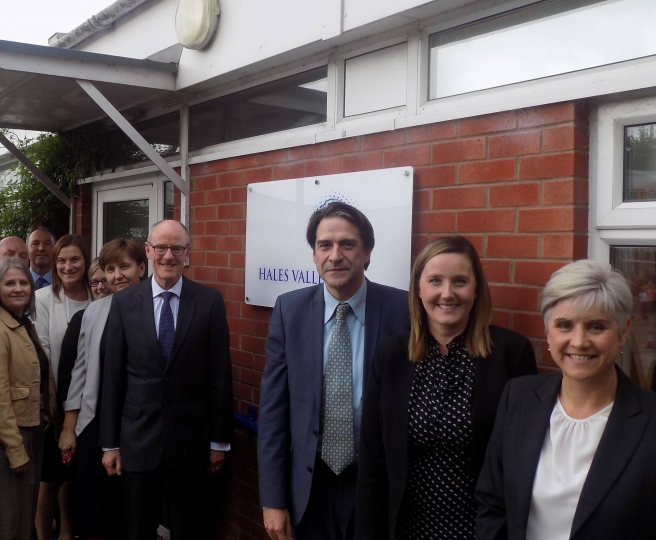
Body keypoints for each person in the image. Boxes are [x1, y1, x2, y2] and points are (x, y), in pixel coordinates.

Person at [355, 236, 537, 540]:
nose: (447, 293)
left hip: (482, 531)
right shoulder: (391, 355)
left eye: (460, 281)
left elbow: (525, 460)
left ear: (476, 289)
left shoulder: (511, 354)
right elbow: (373, 458)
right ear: (418, 289)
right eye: (435, 280)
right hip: (407, 529)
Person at [257, 201, 409, 540]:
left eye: (347, 244)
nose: (335, 255)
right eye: (325, 245)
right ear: (313, 254)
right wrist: (272, 499)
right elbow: (273, 415)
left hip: (374, 484)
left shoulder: (403, 311)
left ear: (367, 252)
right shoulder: (289, 310)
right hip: (310, 487)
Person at [475, 260, 656, 540]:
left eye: (596, 327)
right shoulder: (518, 397)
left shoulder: (650, 421)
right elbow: (492, 502)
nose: (579, 341)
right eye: (565, 325)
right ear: (547, 330)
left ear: (623, 331)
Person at [100, 220, 234, 540]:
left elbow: (219, 376)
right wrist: (110, 443)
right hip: (137, 442)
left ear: (187, 253)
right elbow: (113, 377)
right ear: (148, 251)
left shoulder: (209, 301)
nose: (168, 256)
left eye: (177, 248)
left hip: (190, 444)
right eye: (161, 248)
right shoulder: (123, 303)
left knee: (190, 529)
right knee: (138, 530)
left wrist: (219, 442)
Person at [57, 239, 146, 540]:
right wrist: (70, 428)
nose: (117, 275)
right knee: (94, 513)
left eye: (125, 266)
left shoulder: (154, 308)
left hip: (137, 426)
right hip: (95, 424)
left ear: (142, 268)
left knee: (131, 514)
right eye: (110, 269)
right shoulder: (94, 312)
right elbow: (79, 372)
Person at [0, 257, 58, 540]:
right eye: (10, 283)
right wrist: (13, 448)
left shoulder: (24, 324)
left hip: (33, 431)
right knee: (7, 523)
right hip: (9, 438)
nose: (18, 288)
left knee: (23, 520)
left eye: (24, 283)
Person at [34, 234, 92, 540]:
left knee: (71, 480)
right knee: (50, 480)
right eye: (61, 261)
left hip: (88, 406)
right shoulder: (44, 299)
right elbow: (42, 353)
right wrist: (53, 407)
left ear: (85, 260)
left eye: (74, 259)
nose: (68, 267)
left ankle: (67, 534)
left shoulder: (98, 297)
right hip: (54, 406)